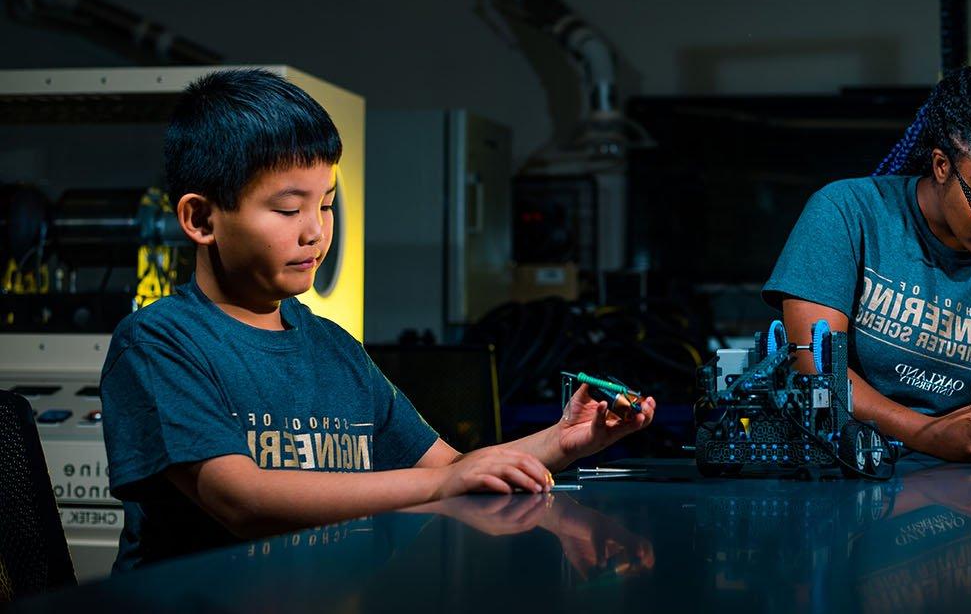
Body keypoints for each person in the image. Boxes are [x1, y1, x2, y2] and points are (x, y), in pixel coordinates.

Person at [101, 69, 656, 571]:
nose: (315, 230)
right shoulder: (159, 343)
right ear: (200, 218)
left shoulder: (333, 348)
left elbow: (455, 466)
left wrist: (562, 442)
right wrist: (444, 482)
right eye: (289, 209)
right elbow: (241, 501)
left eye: (326, 203)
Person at [763, 65, 971, 462]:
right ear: (942, 165)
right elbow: (815, 372)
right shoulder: (847, 214)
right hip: (851, 473)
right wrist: (928, 434)